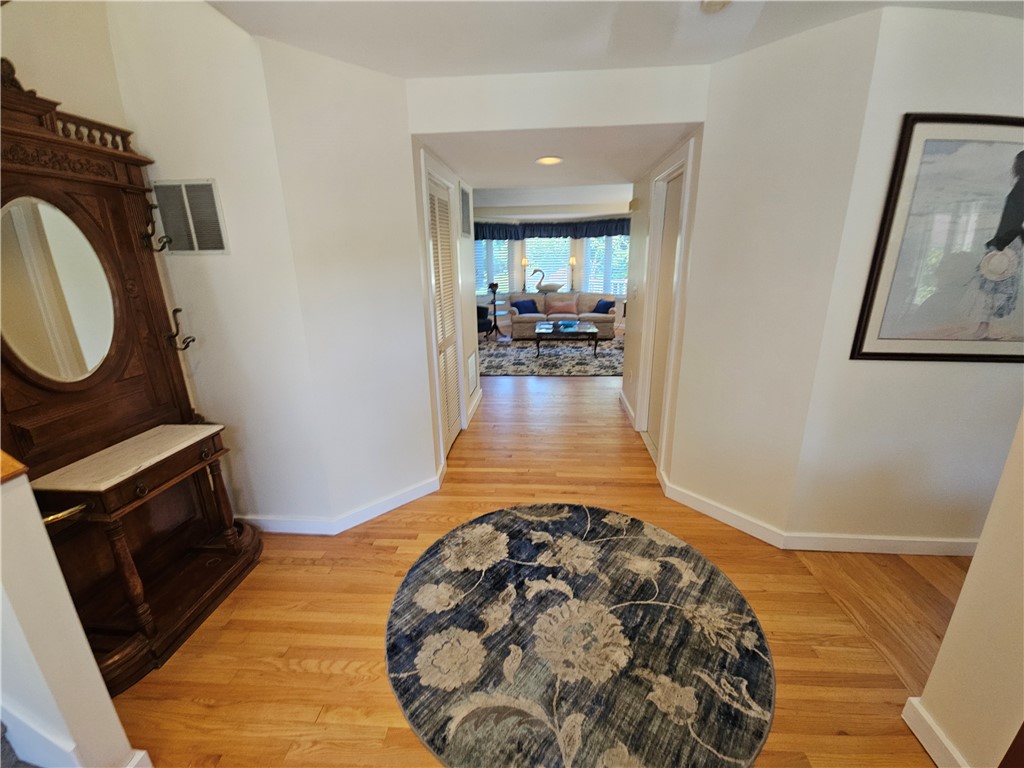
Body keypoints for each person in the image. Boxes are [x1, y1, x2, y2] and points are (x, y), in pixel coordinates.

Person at [963, 150, 1024, 339]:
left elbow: (1012, 222)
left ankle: (985, 329)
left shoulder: (1020, 188)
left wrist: (998, 243)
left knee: (992, 285)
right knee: (997, 286)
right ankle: (985, 329)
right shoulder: (1020, 188)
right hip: (1011, 242)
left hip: (1009, 242)